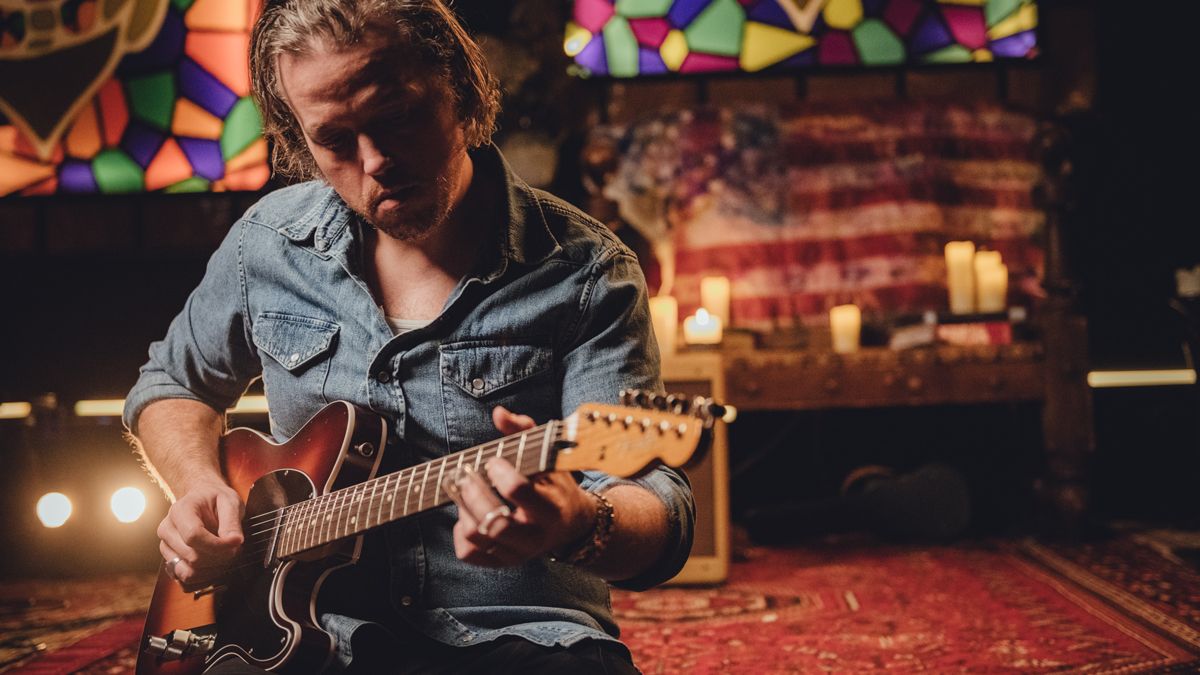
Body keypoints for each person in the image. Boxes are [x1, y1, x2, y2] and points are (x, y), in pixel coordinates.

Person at [122, 1, 694, 672]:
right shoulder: (267, 245)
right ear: (298, 140)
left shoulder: (590, 272)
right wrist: (195, 485)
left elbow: (656, 505)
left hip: (518, 633)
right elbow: (171, 384)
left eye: (397, 117)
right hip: (306, 632)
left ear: (462, 92)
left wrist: (580, 521)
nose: (375, 161)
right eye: (334, 139)